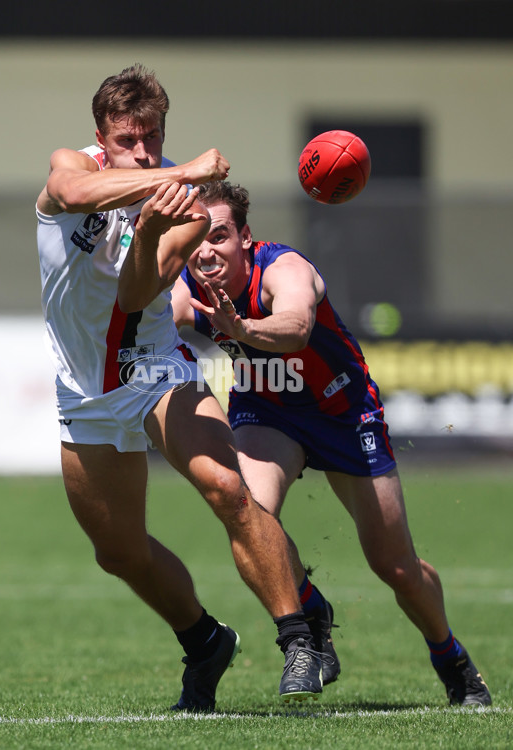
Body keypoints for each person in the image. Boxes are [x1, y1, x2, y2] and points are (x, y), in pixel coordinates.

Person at [35, 64, 326, 713]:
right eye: (126, 139)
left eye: (153, 137)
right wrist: (170, 176)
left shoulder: (187, 206)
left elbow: (139, 295)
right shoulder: (75, 167)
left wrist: (151, 223)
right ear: (100, 137)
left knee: (228, 488)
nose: (141, 149)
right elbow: (75, 192)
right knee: (118, 552)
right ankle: (204, 641)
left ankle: (301, 636)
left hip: (154, 365)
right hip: (84, 387)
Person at [171, 179, 492, 707]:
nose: (206, 249)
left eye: (220, 235)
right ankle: (307, 611)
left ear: (245, 238)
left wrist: (242, 328)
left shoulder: (284, 269)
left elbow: (296, 327)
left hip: (343, 412)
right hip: (267, 410)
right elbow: (159, 313)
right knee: (246, 512)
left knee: (394, 567)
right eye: (195, 236)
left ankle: (449, 656)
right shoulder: (189, 282)